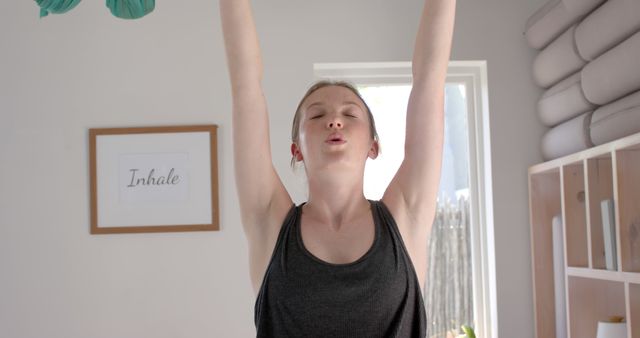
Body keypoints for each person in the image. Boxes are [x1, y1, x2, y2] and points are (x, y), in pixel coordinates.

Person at [219, 0, 456, 337]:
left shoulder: (406, 216)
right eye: (317, 115)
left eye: (350, 114)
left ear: (373, 145)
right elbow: (245, 88)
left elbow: (430, 80)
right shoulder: (269, 222)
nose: (334, 120)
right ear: (296, 149)